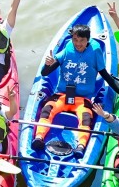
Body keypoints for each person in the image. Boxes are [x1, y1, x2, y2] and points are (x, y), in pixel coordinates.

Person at [33, 24, 108, 155]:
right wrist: (47, 64)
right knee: (46, 110)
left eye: (82, 40)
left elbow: (106, 76)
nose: (78, 44)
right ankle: (39, 138)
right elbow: (45, 73)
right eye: (75, 40)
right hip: (62, 96)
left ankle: (80, 146)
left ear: (88, 40)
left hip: (82, 99)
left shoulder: (95, 51)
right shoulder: (68, 47)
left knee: (86, 117)